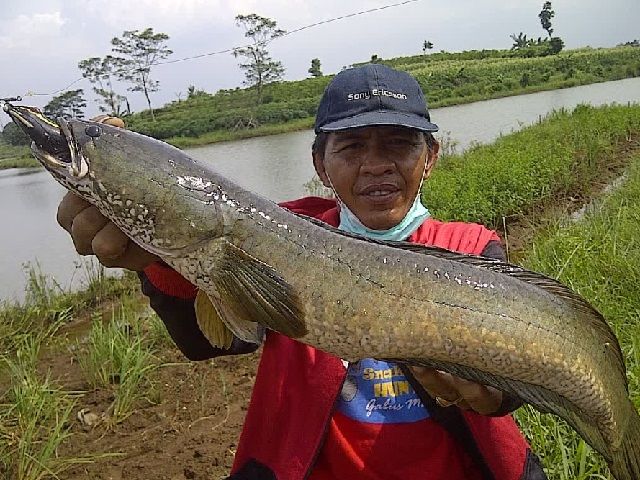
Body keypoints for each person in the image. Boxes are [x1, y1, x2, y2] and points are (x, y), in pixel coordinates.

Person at [56, 64, 547, 480]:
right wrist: (158, 257)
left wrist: (494, 394)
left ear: (430, 157)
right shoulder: (280, 232)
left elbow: (508, 373)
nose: (376, 165)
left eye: (399, 145)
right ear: (320, 164)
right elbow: (213, 339)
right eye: (351, 148)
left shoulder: (470, 249)